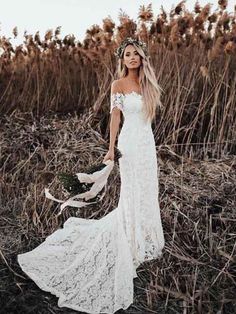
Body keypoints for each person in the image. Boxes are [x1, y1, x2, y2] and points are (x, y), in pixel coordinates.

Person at [17, 37, 165, 314]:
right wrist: (111, 149)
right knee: (131, 192)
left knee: (148, 190)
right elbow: (115, 118)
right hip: (130, 144)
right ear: (121, 60)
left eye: (136, 54)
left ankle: (147, 236)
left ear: (142, 58)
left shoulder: (147, 85)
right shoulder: (118, 85)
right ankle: (130, 240)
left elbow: (148, 118)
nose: (132, 58)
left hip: (148, 144)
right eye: (127, 55)